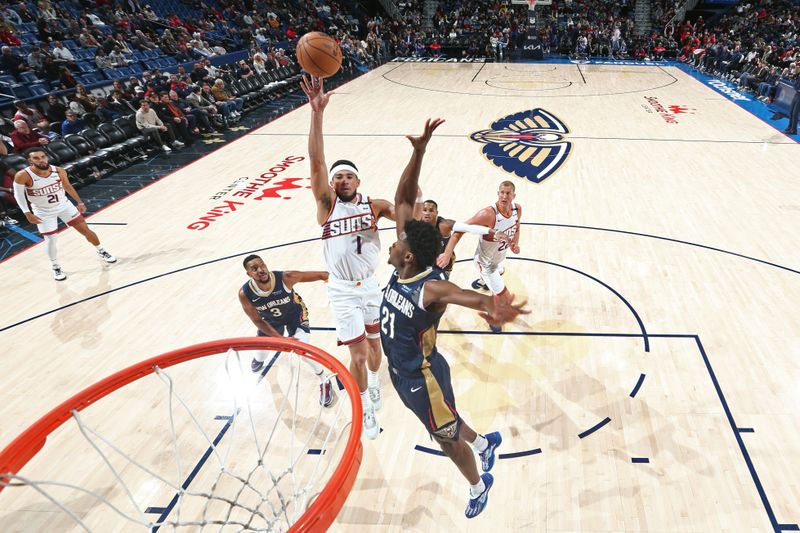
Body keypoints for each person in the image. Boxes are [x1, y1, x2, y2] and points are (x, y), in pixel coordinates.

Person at [384, 117, 527, 519]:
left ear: (409, 254)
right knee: (444, 419)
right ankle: (484, 444)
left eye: (397, 243)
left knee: (443, 436)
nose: (392, 244)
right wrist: (418, 151)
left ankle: (480, 485)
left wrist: (496, 304)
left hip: (422, 375)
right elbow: (403, 199)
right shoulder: (402, 268)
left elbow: (469, 298)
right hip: (403, 370)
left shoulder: (430, 287)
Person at [301, 75, 396, 440]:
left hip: (371, 286)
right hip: (341, 290)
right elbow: (316, 161)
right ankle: (364, 409)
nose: (341, 179)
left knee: (375, 348)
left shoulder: (376, 206)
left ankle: (374, 383)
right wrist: (317, 114)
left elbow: (404, 211)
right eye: (337, 176)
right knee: (356, 355)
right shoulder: (327, 206)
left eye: (347, 175)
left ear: (357, 181)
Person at [238, 255, 335, 406]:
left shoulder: (286, 277)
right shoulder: (245, 294)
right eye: (254, 269)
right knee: (261, 353)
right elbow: (257, 320)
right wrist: (279, 338)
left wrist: (336, 287)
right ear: (249, 274)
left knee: (302, 351)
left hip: (295, 315)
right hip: (269, 321)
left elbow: (323, 275)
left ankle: (324, 380)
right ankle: (259, 358)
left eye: (262, 265)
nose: (260, 270)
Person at [13, 148, 116, 281]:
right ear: (30, 160)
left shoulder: (59, 171)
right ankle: (55, 266)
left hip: (64, 205)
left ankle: (101, 250)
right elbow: (18, 195)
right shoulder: (23, 175)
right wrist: (27, 212)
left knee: (85, 230)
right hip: (43, 211)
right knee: (51, 240)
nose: (41, 160)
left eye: (43, 156)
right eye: (36, 158)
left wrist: (79, 202)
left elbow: (67, 186)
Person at [438, 181, 522, 332]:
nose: (504, 196)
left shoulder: (517, 209)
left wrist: (514, 243)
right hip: (485, 264)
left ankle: (484, 282)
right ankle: (494, 319)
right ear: (498, 193)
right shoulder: (487, 214)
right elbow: (459, 230)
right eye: (501, 192)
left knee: (500, 270)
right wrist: (447, 252)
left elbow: (517, 225)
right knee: (505, 298)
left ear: (513, 195)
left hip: (498, 258)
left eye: (508, 193)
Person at [418, 199, 510, 279]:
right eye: (424, 210)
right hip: (425, 259)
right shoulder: (416, 225)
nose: (427, 213)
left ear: (436, 213)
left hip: (442, 261)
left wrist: (494, 232)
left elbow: (469, 227)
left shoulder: (444, 225)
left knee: (437, 288)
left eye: (431, 210)